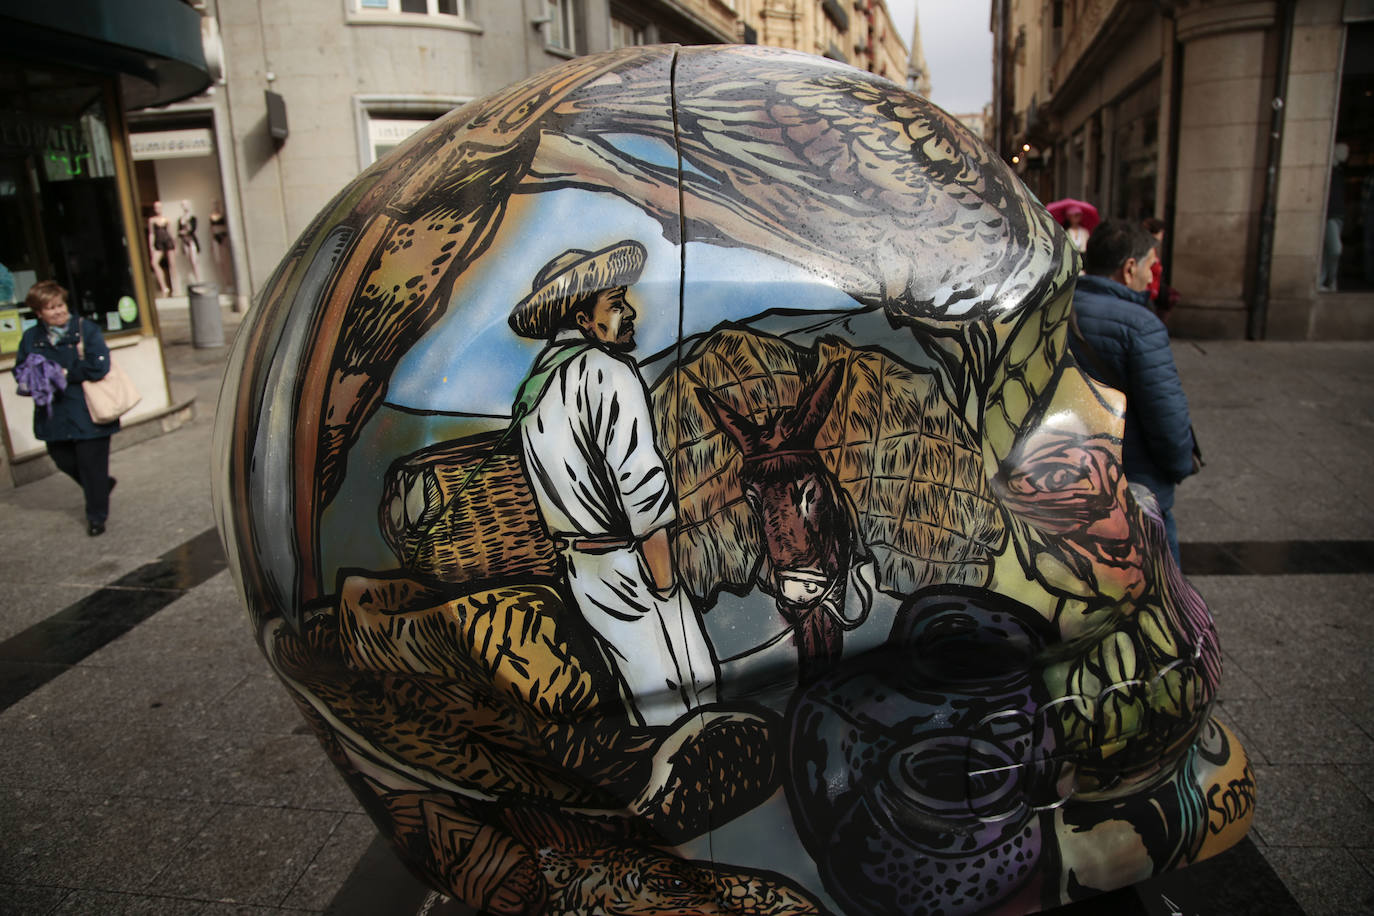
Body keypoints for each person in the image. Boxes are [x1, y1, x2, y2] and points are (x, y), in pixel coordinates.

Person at [508, 240, 717, 728]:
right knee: (695, 692)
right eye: (616, 303)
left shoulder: (534, 388)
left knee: (650, 700)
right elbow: (642, 487)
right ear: (584, 319)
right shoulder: (607, 371)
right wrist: (665, 588)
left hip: (583, 569)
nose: (630, 312)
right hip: (632, 561)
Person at [1068, 220, 1196, 562]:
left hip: (1067, 477)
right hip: (1131, 483)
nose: (1151, 275)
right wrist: (1179, 465)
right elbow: (1166, 414)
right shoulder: (1141, 325)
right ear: (1128, 268)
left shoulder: (1055, 310)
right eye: (1150, 266)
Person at [13, 281, 119, 536]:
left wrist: (63, 373)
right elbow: (19, 368)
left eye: (60, 305)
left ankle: (96, 517)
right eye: (50, 308)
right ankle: (101, 487)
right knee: (62, 458)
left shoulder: (86, 330)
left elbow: (99, 367)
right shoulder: (32, 337)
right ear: (39, 313)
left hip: (87, 411)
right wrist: (31, 376)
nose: (58, 311)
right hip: (53, 414)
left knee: (91, 465)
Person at [1321, 143, 1348, 291]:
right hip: (1330, 215)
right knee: (1335, 249)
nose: (1346, 153)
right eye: (1344, 150)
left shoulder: (1339, 171)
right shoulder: (1329, 171)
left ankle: (1328, 280)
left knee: (1329, 249)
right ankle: (1328, 280)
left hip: (1338, 216)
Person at [147, 201, 174, 297]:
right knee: (154, 263)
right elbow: (151, 233)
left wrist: (175, 244)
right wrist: (151, 246)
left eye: (159, 207)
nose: (157, 209)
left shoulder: (166, 220)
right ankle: (163, 286)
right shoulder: (152, 220)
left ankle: (175, 286)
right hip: (158, 242)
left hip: (168, 241)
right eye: (155, 207)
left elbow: (170, 232)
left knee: (172, 264)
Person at [177, 199, 202, 285]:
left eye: (186, 204)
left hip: (191, 240)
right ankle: (194, 280)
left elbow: (192, 229)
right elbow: (179, 231)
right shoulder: (181, 219)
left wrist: (186, 231)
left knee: (194, 260)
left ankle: (198, 279)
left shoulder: (192, 218)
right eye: (183, 205)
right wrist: (182, 232)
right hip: (184, 241)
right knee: (189, 261)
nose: (184, 206)